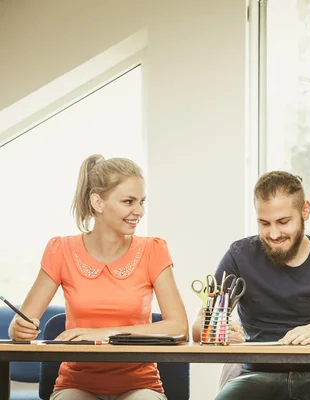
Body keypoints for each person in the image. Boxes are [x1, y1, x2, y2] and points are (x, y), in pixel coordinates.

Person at [9, 154, 188, 400]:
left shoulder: (153, 250)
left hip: (139, 386)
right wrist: (20, 330)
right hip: (76, 385)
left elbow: (179, 327)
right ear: (98, 202)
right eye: (129, 202)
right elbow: (21, 325)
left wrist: (103, 333)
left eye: (142, 202)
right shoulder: (60, 250)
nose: (139, 211)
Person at [194, 171, 310, 400]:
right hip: (257, 375)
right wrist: (217, 331)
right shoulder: (239, 255)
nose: (273, 234)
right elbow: (198, 328)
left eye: (283, 222)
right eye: (264, 223)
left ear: (305, 211)